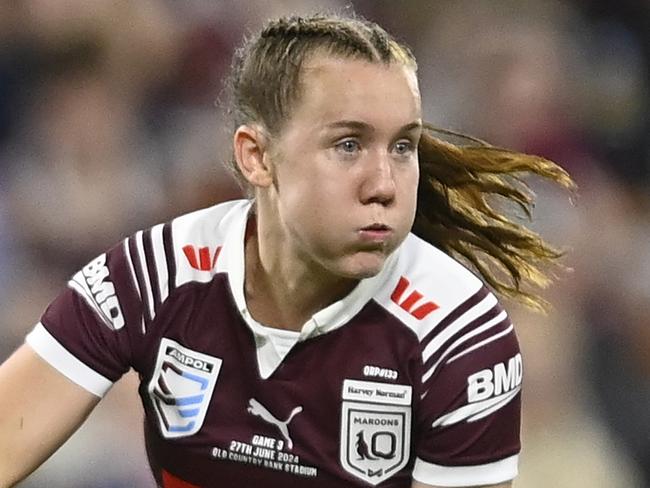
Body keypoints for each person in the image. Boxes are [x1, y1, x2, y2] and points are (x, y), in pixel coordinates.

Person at [0, 13, 573, 488]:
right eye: (348, 145)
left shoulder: (458, 336)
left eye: (403, 146)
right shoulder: (154, 276)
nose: (385, 183)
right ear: (258, 157)